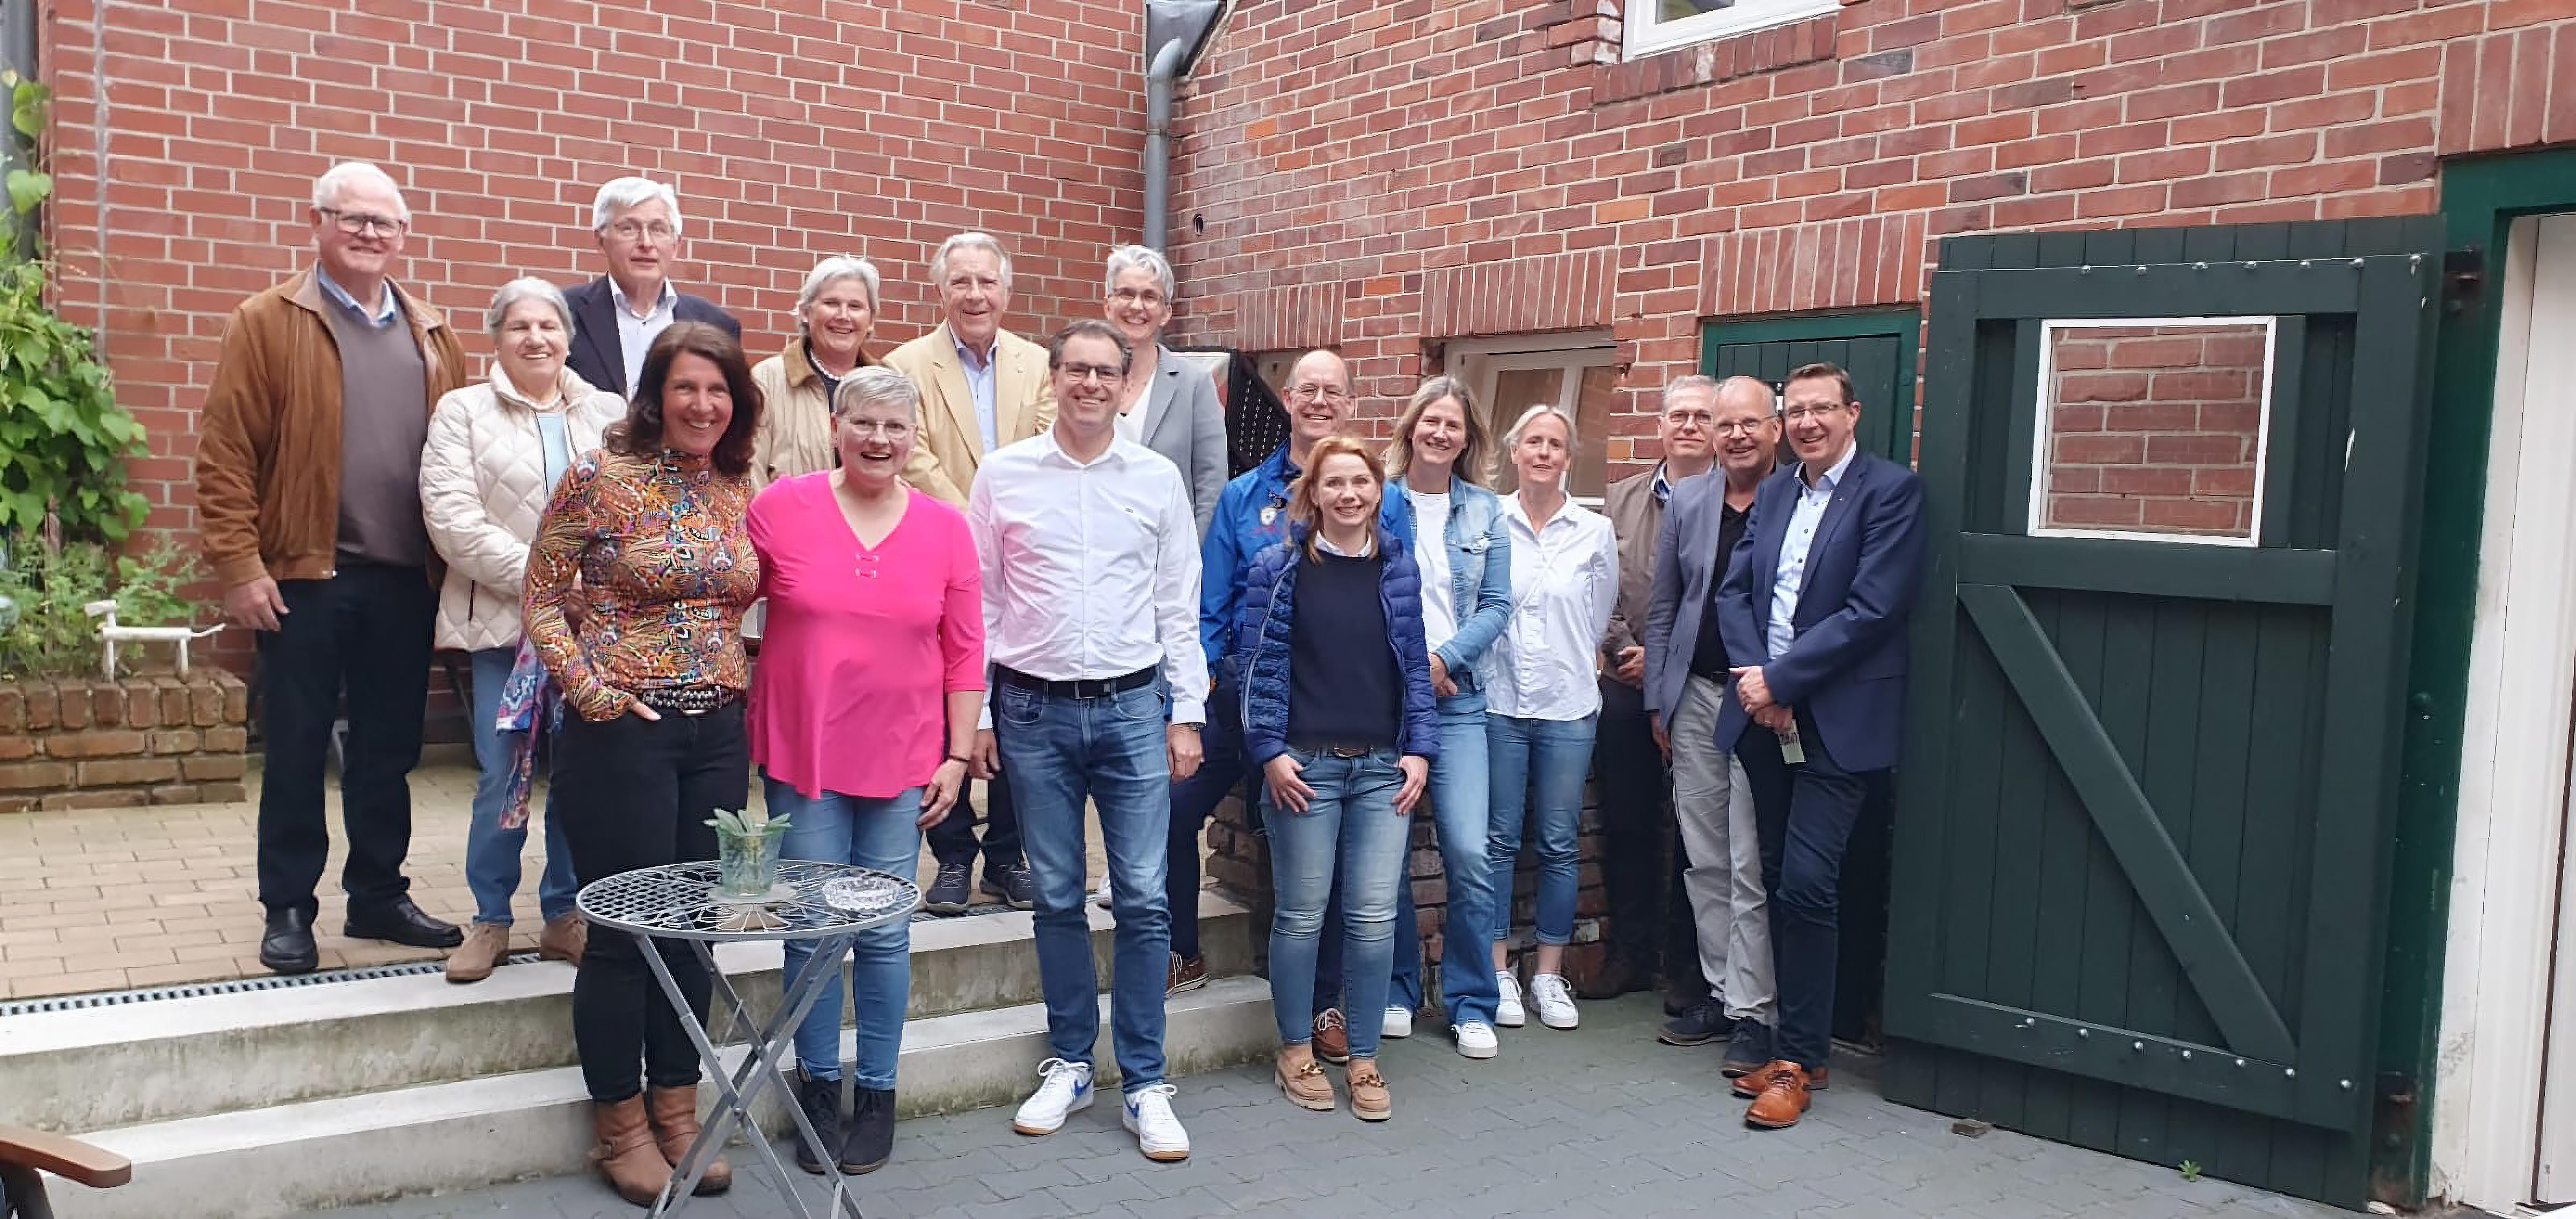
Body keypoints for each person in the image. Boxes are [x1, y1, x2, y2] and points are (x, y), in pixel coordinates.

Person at [194, 160, 470, 976]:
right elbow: (224, 457)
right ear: (317, 223)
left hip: (402, 581)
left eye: (383, 223)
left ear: (403, 236)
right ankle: (288, 905)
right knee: (296, 745)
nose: (367, 234)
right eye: (351, 218)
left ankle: (379, 892)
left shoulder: (433, 332)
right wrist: (241, 565)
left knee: (390, 750)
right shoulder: (267, 321)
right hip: (302, 576)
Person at [523, 322, 763, 1203]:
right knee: (625, 934)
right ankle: (618, 1126)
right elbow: (542, 595)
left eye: (719, 390)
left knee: (694, 930)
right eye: (686, 388)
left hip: (716, 734)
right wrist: (589, 690)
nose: (703, 405)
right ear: (656, 395)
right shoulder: (599, 478)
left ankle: (677, 1106)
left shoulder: (740, 483)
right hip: (622, 732)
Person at [969, 320, 1208, 1163]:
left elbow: (1180, 600)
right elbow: (984, 602)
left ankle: (1144, 1079)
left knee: (1143, 896)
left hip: (1134, 708)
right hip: (1032, 712)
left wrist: (1188, 712)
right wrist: (986, 718)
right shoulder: (1003, 474)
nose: (1091, 384)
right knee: (1058, 893)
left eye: (1108, 371)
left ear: (1124, 380)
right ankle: (1072, 1060)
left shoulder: (1154, 479)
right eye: (1077, 369)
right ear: (1055, 379)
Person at [749, 367, 983, 1177]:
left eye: (896, 426)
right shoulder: (782, 508)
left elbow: (964, 649)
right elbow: (721, 596)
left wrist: (958, 754)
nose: (880, 439)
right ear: (837, 426)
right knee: (812, 928)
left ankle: (876, 1091)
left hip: (905, 755)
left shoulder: (947, 528)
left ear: (915, 437)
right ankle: (817, 1085)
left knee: (884, 932)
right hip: (805, 753)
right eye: (865, 423)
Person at [1717, 361, 1926, 1131]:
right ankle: (1792, 1046)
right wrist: (1754, 680)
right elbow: (1736, 591)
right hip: (1764, 717)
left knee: (1808, 881)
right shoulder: (1775, 489)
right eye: (1795, 410)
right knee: (1773, 877)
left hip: (1837, 720)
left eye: (1821, 409)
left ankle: (1801, 1059)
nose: (1807, 422)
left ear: (1852, 413)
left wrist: (1783, 680)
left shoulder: (1890, 492)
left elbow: (1874, 609)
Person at [419, 277, 624, 983]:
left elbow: (632, 514)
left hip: (590, 634)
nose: (537, 338)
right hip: (505, 627)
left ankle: (566, 914)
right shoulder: (462, 411)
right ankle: (490, 918)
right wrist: (549, 581)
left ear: (568, 336)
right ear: (497, 337)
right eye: (520, 326)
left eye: (550, 325)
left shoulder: (608, 412)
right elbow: (451, 518)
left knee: (580, 774)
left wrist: (591, 590)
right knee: (501, 772)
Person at [1173, 348, 1383, 1021]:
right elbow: (1211, 602)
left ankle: (1322, 1005)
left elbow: (1393, 596)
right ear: (1288, 399)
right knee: (1171, 812)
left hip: (1327, 712)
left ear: (1350, 405)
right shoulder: (1244, 495)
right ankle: (1184, 952)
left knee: (1323, 864)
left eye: (1334, 391)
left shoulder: (1374, 494)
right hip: (1241, 696)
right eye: (1308, 390)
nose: (1320, 401)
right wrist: (1200, 689)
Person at [1237, 436, 1438, 1121]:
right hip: (1305, 770)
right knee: (1301, 914)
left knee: (1375, 918)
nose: (1348, 494)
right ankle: (1294, 1048)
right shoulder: (1279, 568)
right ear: (1312, 493)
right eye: (1334, 484)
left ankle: (1364, 1059)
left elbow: (1415, 666)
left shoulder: (1397, 567)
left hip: (1385, 769)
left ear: (1379, 491)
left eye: (1361, 482)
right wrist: (1268, 750)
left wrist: (1421, 751)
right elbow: (1256, 667)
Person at [886, 231, 1055, 914]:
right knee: (942, 701)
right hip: (938, 555)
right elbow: (915, 458)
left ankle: (1008, 857)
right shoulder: (906, 364)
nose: (975, 294)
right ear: (941, 291)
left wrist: (1003, 530)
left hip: (1024, 565)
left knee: (1019, 701)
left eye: (987, 282)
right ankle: (953, 855)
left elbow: (1047, 447)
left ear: (1007, 293)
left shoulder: (1042, 365)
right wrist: (976, 525)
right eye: (961, 282)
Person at [1641, 376, 1783, 1074]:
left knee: (1748, 860)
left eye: (1747, 423)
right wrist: (1659, 701)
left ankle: (1755, 1013)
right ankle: (1726, 994)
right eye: (1724, 424)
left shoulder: (1794, 496)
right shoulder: (1692, 499)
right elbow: (1666, 607)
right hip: (1693, 697)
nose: (1734, 435)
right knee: (1705, 857)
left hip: (1760, 701)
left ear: (1774, 429)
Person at [1377, 377, 1511, 1059]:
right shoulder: (1379, 499)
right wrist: (1409, 669)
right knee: (1388, 853)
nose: (1440, 433)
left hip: (1459, 702)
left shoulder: (1486, 511)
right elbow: (1359, 590)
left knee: (1468, 851)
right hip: (1386, 703)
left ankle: (1470, 1000)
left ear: (1468, 438)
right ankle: (1398, 990)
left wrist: (1444, 660)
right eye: (1430, 421)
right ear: (1411, 428)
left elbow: (1497, 605)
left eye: (1453, 426)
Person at [1589, 377, 1723, 1004]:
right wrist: (1624, 650)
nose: (1691, 425)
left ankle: (1690, 964)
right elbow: (1601, 588)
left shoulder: (1744, 498)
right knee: (1629, 821)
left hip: (1697, 683)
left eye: (1704, 415)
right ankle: (1631, 954)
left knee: (1701, 830)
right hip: (1625, 682)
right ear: (1661, 425)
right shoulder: (1619, 499)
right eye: (1680, 415)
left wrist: (1669, 661)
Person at [1483, 404, 1617, 1033]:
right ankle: (1499, 970)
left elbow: (1598, 618)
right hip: (1500, 701)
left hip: (1567, 706)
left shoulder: (1592, 531)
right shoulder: (1490, 520)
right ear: (1515, 451)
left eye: (1555, 443)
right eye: (1532, 441)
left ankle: (1548, 976)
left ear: (1569, 456)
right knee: (1500, 841)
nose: (1543, 452)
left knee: (1559, 843)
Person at [562, 177, 742, 398]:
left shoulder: (717, 325)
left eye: (658, 229)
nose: (646, 243)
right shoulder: (562, 315)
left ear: (676, 245)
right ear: (601, 240)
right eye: (629, 228)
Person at [1101, 245, 1227, 531]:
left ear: (1166, 312)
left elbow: (1212, 485)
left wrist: (1192, 559)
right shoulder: (1086, 379)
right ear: (1108, 305)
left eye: (1150, 297)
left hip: (1168, 554)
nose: (1137, 307)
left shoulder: (1194, 385)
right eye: (1126, 294)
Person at [750, 256, 883, 488]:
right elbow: (751, 472)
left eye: (855, 306)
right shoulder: (767, 380)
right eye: (831, 303)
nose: (843, 316)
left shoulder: (888, 386)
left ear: (871, 320)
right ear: (805, 312)